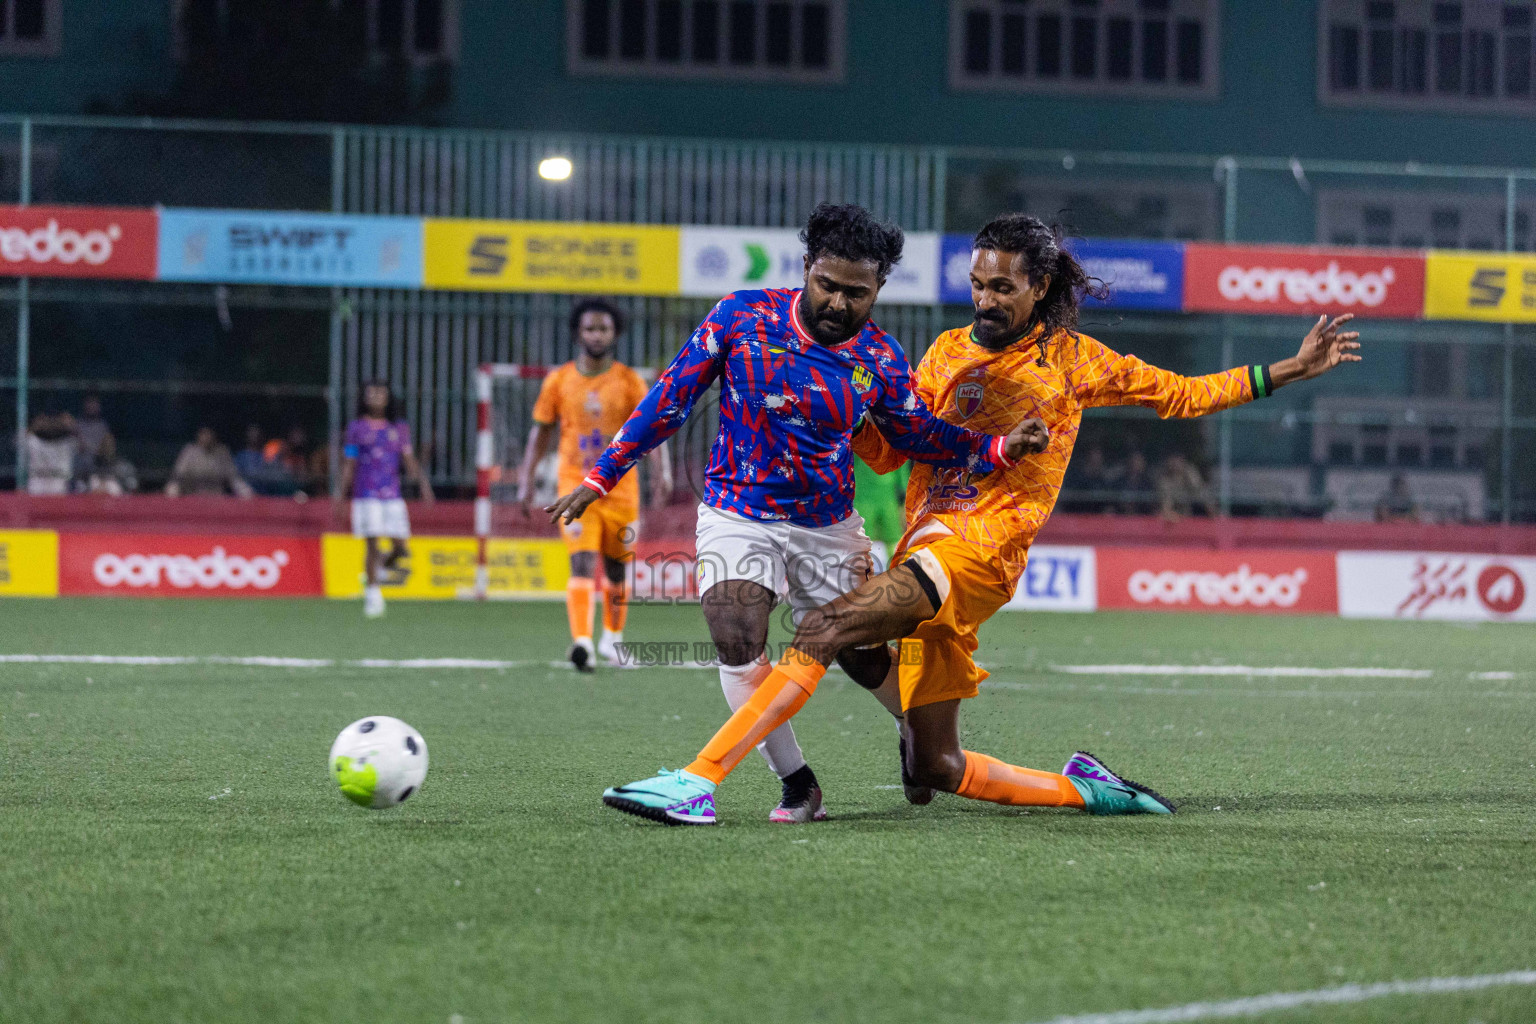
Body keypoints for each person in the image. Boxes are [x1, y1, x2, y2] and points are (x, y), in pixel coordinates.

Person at [600, 213, 1362, 826]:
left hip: (980, 551)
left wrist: (1286, 371)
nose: (987, 300)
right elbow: (893, 450)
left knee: (821, 629)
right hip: (922, 546)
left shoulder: (1074, 360)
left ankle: (697, 781)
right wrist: (824, 405)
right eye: (978, 284)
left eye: (1003, 287)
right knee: (936, 770)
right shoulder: (936, 355)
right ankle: (1088, 790)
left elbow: (1183, 394)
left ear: (1038, 288)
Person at [548, 203, 1042, 825]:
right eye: (826, 285)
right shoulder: (741, 316)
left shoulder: (882, 361)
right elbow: (670, 397)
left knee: (861, 655)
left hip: (827, 525)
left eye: (856, 293)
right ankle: (796, 783)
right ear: (806, 268)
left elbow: (918, 434)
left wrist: (996, 448)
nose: (838, 303)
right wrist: (603, 474)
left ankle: (916, 736)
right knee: (735, 636)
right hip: (737, 508)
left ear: (879, 288)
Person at [518, 299, 672, 672]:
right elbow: (540, 433)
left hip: (621, 489)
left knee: (617, 569)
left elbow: (652, 429)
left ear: (614, 334)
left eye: (603, 329)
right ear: (578, 333)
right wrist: (525, 479)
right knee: (581, 562)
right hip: (576, 485)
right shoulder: (558, 381)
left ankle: (612, 640)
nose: (596, 335)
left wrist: (661, 471)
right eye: (590, 328)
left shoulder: (629, 381)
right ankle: (582, 642)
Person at [336, 382, 434, 618]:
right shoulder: (357, 428)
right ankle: (373, 594)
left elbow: (408, 460)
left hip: (392, 494)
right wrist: (340, 494)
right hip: (366, 494)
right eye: (372, 393)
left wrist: (422, 484)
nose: (377, 397)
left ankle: (377, 572)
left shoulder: (399, 428)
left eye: (381, 394)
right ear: (365, 398)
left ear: (388, 399)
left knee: (401, 547)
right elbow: (350, 462)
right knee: (373, 544)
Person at [166, 426, 252, 498]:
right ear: (198, 436)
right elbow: (178, 475)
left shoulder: (222, 452)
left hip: (217, 498)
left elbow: (234, 478)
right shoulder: (189, 451)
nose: (206, 437)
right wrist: (173, 490)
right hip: (192, 496)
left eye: (209, 434)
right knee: (172, 490)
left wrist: (246, 492)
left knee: (247, 493)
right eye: (204, 434)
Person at [25, 412, 77, 496]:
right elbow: (21, 439)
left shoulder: (69, 441)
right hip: (37, 480)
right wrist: (37, 424)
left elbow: (79, 442)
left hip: (59, 480)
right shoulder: (32, 440)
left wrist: (67, 423)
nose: (50, 425)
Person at [1157, 452, 1214, 521]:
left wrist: (1189, 475)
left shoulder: (1189, 473)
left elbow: (1198, 488)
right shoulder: (1165, 479)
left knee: (1205, 495)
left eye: (1178, 461)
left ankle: (1214, 519)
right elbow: (1166, 501)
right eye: (1173, 461)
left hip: (1192, 510)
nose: (1175, 464)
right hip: (1175, 512)